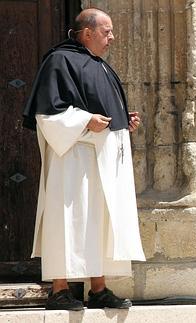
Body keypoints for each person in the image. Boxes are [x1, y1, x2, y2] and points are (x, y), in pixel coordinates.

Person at [22, 8, 146, 311]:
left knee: (100, 220)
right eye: (107, 31)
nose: (113, 38)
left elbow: (102, 109)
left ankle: (99, 288)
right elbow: (47, 114)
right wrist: (84, 121)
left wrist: (122, 120)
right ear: (87, 32)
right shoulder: (59, 60)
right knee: (68, 219)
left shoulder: (100, 66)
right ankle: (60, 289)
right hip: (72, 159)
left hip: (101, 160)